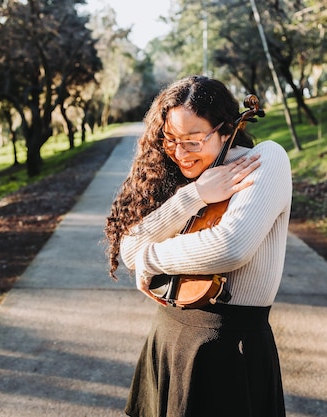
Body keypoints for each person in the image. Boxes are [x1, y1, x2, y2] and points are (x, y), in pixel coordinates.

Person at [104, 75, 292, 417]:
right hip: (167, 337)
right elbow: (129, 249)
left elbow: (230, 247)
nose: (180, 152)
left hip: (228, 348)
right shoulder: (182, 177)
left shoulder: (265, 160)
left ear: (225, 130)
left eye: (193, 140)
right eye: (171, 139)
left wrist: (150, 258)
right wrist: (196, 195)